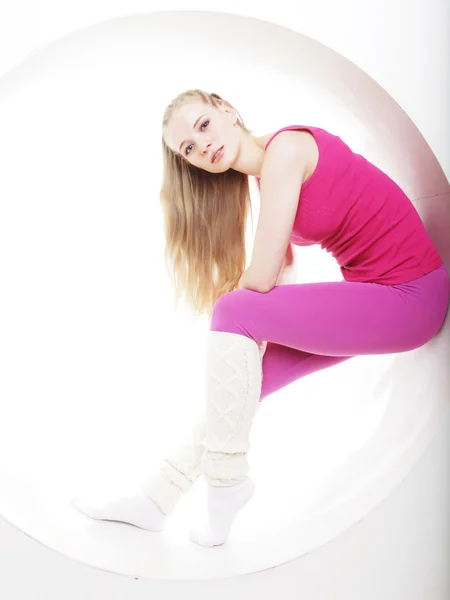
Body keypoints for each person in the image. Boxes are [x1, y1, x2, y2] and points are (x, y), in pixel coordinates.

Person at [71, 89, 450, 548]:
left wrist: (244, 322)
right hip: (377, 299)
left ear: (228, 111)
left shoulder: (286, 151)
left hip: (409, 297)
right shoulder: (264, 179)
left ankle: (227, 480)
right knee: (244, 384)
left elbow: (264, 274)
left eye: (203, 125)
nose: (201, 145)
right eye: (187, 148)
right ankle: (156, 498)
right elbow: (283, 279)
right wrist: (251, 346)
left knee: (233, 309)